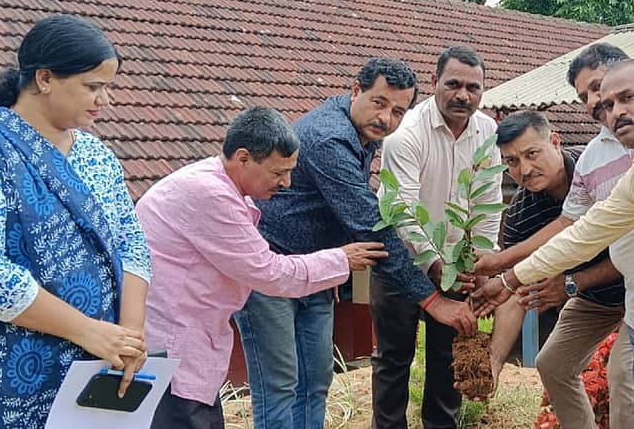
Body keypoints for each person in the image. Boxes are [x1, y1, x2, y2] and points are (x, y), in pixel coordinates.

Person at [474, 58, 634, 413]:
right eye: (604, 103)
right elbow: (584, 233)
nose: (611, 111)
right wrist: (507, 279)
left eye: (626, 97)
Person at [0, 15, 151, 428]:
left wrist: (127, 335)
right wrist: (85, 329)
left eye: (108, 87)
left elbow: (131, 244)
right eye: (93, 87)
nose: (104, 100)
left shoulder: (96, 155)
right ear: (45, 78)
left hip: (89, 365)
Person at [233, 58, 476, 429]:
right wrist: (432, 300)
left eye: (398, 111)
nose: (386, 118)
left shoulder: (362, 135)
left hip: (315, 271)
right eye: (379, 103)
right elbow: (370, 225)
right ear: (355, 90)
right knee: (280, 385)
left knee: (315, 382)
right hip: (271, 270)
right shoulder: (330, 138)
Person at [138, 107, 388, 429]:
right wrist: (342, 259)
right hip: (174, 347)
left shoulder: (222, 187)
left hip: (190, 345)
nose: (286, 183)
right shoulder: (211, 195)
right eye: (277, 172)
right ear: (243, 159)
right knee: (277, 385)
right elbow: (269, 272)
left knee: (314, 379)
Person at [478, 109, 633, 429]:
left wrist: (573, 283)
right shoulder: (522, 214)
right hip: (597, 298)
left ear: (555, 141)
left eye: (531, 154)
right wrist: (493, 363)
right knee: (552, 365)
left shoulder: (598, 169)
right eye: (512, 162)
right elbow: (514, 290)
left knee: (624, 372)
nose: (524, 169)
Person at [374, 46, 501, 429]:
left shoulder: (488, 132)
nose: (464, 95)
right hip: (400, 260)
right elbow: (402, 213)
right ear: (434, 83)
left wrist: (482, 262)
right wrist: (434, 265)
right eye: (454, 84)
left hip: (457, 263)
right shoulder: (405, 134)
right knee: (394, 358)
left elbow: (487, 201)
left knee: (450, 355)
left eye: (473, 87)